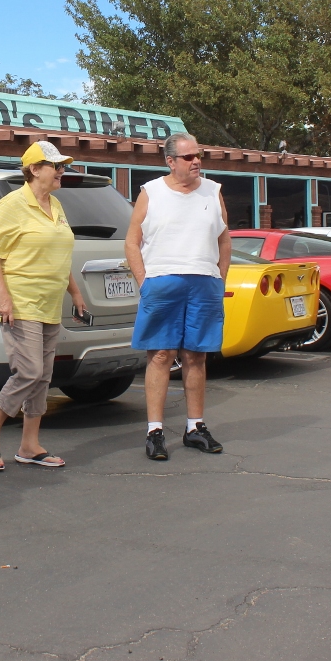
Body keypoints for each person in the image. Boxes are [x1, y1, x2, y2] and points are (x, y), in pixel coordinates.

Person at [0, 141, 87, 470]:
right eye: (56, 166)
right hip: (21, 303)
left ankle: (30, 445)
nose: (62, 171)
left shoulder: (55, 205)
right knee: (30, 372)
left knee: (43, 376)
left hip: (49, 304)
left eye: (63, 166)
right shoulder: (11, 205)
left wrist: (75, 293)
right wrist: (2, 296)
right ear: (34, 169)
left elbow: (58, 255)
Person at [125, 132, 231, 461]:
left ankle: (195, 427)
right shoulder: (151, 192)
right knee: (160, 355)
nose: (196, 161)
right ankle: (154, 431)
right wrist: (144, 283)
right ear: (170, 162)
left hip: (204, 283)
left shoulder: (213, 191)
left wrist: (220, 279)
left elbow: (224, 240)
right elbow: (132, 241)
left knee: (196, 356)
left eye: (198, 155)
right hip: (162, 282)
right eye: (188, 157)